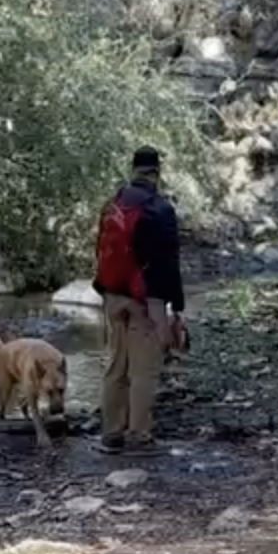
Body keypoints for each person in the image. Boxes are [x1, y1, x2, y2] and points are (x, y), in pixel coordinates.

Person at [92, 146, 184, 454]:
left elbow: (100, 251)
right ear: (156, 172)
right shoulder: (160, 208)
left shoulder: (113, 203)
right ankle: (139, 436)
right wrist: (175, 308)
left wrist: (105, 291)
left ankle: (111, 435)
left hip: (113, 296)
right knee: (143, 372)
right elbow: (169, 263)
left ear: (133, 170)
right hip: (144, 302)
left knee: (115, 367)